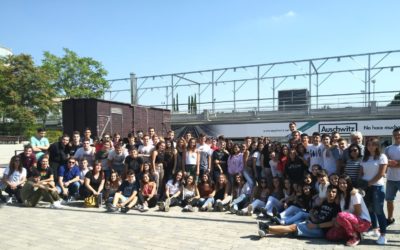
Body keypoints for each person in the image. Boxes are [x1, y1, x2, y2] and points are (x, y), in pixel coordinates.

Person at [258, 185, 340, 239]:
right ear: (326, 192)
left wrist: (316, 225)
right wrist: (312, 216)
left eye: (333, 192)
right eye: (329, 191)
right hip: (314, 222)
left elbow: (332, 223)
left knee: (293, 227)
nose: (331, 194)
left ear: (336, 194)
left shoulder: (336, 207)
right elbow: (313, 210)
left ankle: (267, 229)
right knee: (292, 227)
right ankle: (267, 230)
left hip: (321, 230)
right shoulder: (325, 202)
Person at [326, 175, 371, 246]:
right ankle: (350, 234)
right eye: (340, 183)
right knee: (330, 235)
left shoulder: (354, 194)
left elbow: (358, 213)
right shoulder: (341, 195)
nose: (342, 185)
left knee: (341, 215)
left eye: (344, 183)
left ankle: (355, 237)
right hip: (350, 221)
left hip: (363, 223)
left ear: (349, 183)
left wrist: (341, 218)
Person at [360, 137, 388, 245]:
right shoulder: (365, 158)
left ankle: (383, 235)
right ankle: (375, 229)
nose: (370, 146)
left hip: (377, 187)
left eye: (373, 144)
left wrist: (369, 183)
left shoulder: (382, 157)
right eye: (368, 145)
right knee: (369, 210)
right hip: (366, 187)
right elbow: (361, 173)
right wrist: (361, 184)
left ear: (377, 146)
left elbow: (381, 174)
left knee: (379, 211)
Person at [385, 127, 400, 227]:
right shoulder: (388, 148)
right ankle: (390, 219)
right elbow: (384, 163)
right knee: (389, 200)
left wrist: (393, 163)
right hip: (390, 179)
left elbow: (389, 163)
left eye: (399, 134)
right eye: (395, 135)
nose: (397, 136)